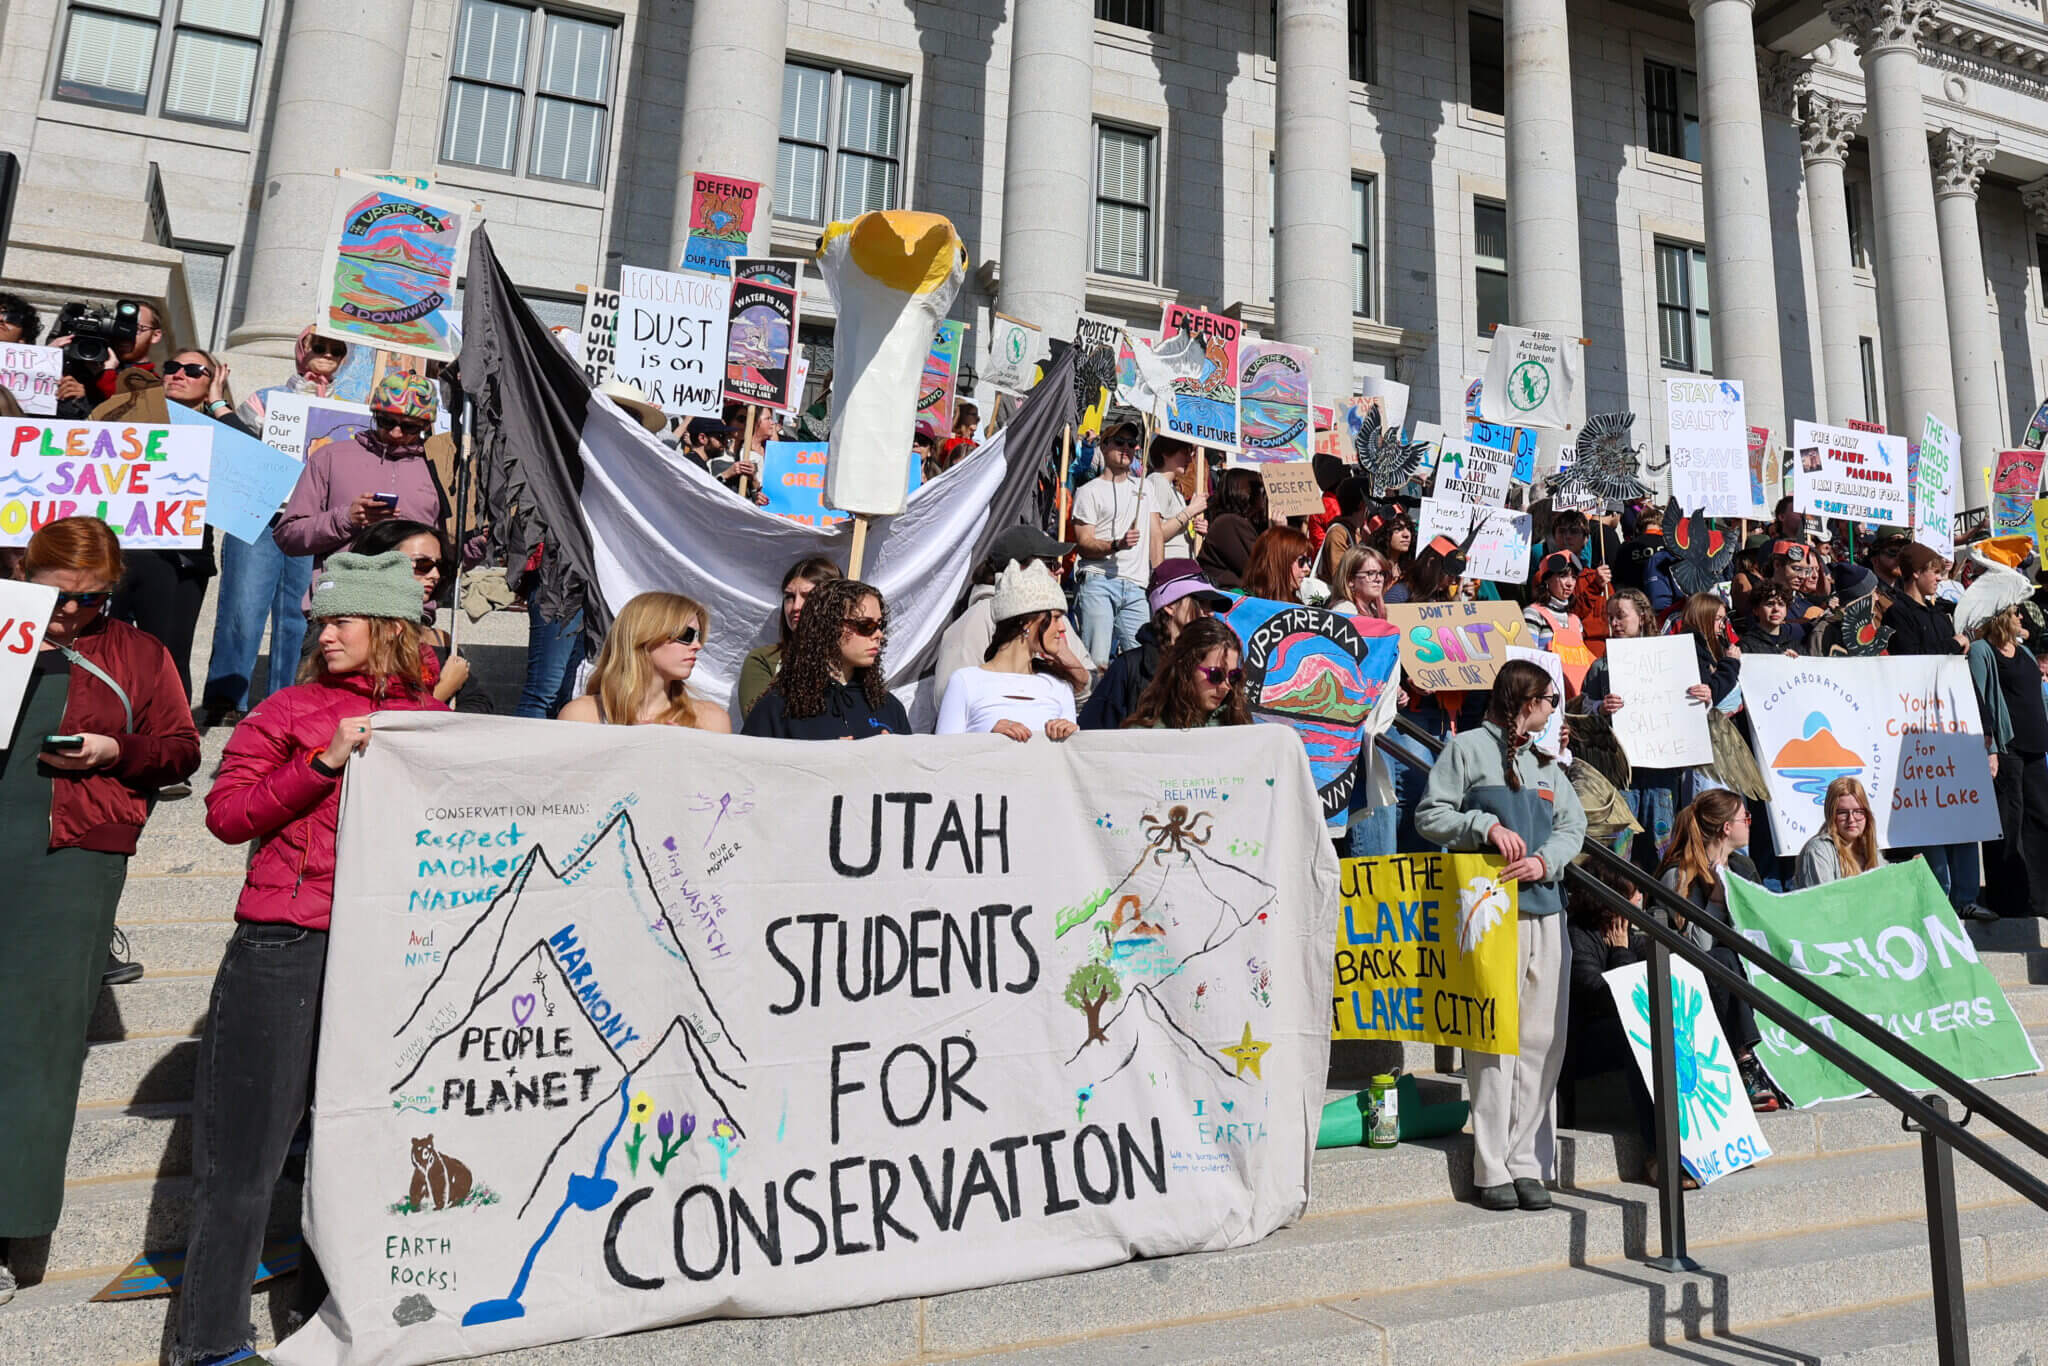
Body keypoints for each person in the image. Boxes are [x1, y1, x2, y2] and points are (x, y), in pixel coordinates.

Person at [179, 551, 446, 1363]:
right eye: (320, 620)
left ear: (392, 629)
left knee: (360, 1151)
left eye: (343, 620)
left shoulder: (432, 720)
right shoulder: (287, 710)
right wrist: (322, 761)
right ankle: (209, 1343)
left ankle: (324, 1324)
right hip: (284, 943)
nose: (324, 633)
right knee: (246, 1160)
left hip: (390, 953)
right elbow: (226, 816)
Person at [0, 518, 199, 1305]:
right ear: (23, 570)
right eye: (60, 598)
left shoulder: (137, 653)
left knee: (39, 1039)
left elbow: (181, 747)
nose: (74, 615)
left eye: (92, 601)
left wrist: (120, 753)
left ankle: (14, 1221)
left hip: (72, 857)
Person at [1416, 660, 1586, 1211]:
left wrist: (1547, 861)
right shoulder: (1465, 749)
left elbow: (1573, 825)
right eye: (1546, 699)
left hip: (1545, 911)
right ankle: (1491, 1166)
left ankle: (1528, 1163)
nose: (1551, 709)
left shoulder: (1546, 762)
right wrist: (1482, 825)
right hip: (1487, 913)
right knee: (1493, 1042)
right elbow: (1430, 813)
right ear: (1522, 700)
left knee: (1542, 1039)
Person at [200, 330, 345, 728]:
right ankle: (226, 698)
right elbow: (238, 444)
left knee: (300, 616)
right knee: (242, 608)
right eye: (319, 347)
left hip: (313, 522)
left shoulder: (351, 408)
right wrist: (216, 403)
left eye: (336, 350)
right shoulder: (265, 398)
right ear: (302, 350)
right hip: (260, 514)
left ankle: (286, 701)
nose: (327, 355)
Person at [108, 347, 235, 711]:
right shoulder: (130, 416)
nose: (179, 374)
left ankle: (170, 746)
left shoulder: (218, 430)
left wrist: (217, 404)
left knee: (167, 658)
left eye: (195, 371)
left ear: (214, 382)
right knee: (100, 648)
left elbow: (252, 460)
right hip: (117, 552)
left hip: (180, 560)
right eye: (173, 367)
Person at [1657, 790, 1779, 1112]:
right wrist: (1715, 900)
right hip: (1701, 977)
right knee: (1724, 957)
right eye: (1745, 819)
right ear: (1727, 828)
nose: (1749, 825)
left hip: (1746, 969)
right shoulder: (1679, 875)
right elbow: (1698, 949)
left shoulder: (1744, 866)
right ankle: (1746, 1061)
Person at [275, 371, 448, 593]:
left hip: (410, 607)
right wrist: (346, 518)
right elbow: (288, 536)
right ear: (374, 413)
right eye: (386, 421)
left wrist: (476, 542)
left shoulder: (441, 469)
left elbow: (454, 553)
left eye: (409, 427)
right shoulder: (330, 457)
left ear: (426, 426)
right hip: (339, 605)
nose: (396, 433)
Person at [933, 528, 1090, 708]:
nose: (1061, 569)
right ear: (1018, 568)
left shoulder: (1055, 618)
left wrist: (1069, 663)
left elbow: (1089, 692)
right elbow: (949, 699)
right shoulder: (977, 619)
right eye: (1051, 563)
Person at [742, 578, 912, 740]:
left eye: (880, 625)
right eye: (866, 625)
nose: (879, 635)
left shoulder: (889, 707)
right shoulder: (778, 707)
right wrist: (822, 759)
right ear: (830, 627)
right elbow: (748, 767)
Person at [1080, 558, 1232, 730]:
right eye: (1201, 602)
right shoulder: (1130, 668)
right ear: (1169, 605)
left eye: (1212, 605)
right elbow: (1092, 735)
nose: (1210, 612)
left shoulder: (1221, 666)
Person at [937, 562, 1080, 741]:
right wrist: (985, 737)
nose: (1062, 628)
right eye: (1056, 618)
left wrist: (1071, 736)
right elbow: (942, 755)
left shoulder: (1060, 687)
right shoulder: (965, 681)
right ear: (1027, 621)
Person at [1971, 605, 2048, 918]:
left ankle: (2040, 898)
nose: (2021, 618)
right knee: (2008, 824)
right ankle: (2008, 900)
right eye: (2015, 613)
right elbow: (1977, 697)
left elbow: (2037, 696)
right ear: (2000, 616)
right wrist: (1989, 745)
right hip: (2006, 749)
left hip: (2035, 747)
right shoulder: (1982, 650)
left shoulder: (2025, 652)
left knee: (2041, 821)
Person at [560, 592, 730, 730]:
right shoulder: (583, 716)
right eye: (686, 635)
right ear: (645, 636)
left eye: (698, 636)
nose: (697, 645)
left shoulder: (710, 720)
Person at [349, 520, 468, 705]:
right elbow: (365, 713)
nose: (435, 575)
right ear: (381, 563)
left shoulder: (441, 640)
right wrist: (443, 690)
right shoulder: (349, 634)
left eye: (441, 566)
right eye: (423, 564)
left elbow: (478, 703)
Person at [1070, 420, 1153, 661]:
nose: (1126, 448)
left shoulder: (1144, 488)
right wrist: (1116, 544)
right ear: (1104, 446)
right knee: (1097, 662)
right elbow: (1084, 543)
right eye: (1119, 442)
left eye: (1131, 443)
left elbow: (1157, 534)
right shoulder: (1089, 491)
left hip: (1137, 586)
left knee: (1144, 664)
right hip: (1099, 580)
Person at [740, 555, 844, 718]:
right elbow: (760, 724)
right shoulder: (764, 660)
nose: (796, 606)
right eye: (789, 597)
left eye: (808, 597)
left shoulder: (851, 661)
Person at [1122, 617, 1252, 729]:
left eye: (1234, 676)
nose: (1226, 686)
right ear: (1186, 669)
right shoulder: (1143, 734)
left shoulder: (1240, 726)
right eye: (1216, 675)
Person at [1793, 776, 1880, 889]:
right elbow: (1825, 901)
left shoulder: (1870, 850)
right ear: (1831, 815)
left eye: (1858, 811)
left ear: (1867, 814)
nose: (1851, 819)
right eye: (1843, 813)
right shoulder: (1818, 851)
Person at [1197, 468, 1265, 589]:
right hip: (1229, 601)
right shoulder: (1230, 523)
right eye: (1260, 490)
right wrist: (1278, 532)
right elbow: (1260, 570)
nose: (1263, 496)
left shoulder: (1240, 522)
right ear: (1246, 492)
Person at [1145, 437, 1206, 566]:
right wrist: (1190, 510)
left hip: (1181, 564)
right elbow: (1157, 534)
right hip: (1169, 565)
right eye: (1184, 452)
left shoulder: (1173, 489)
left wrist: (1197, 527)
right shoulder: (1157, 481)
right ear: (1166, 453)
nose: (1189, 460)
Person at [1239, 525, 1313, 604]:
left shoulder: (1301, 608)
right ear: (1279, 562)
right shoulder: (1239, 602)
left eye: (1308, 561)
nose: (1307, 569)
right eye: (1301, 561)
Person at [1736, 583, 1805, 656]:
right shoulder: (1746, 644)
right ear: (1756, 609)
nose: (1776, 609)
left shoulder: (1794, 643)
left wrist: (1797, 661)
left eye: (1781, 604)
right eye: (1770, 604)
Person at [1332, 544, 1394, 621]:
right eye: (1371, 573)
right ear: (1350, 580)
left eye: (1381, 573)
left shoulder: (1374, 609)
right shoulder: (1345, 610)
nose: (1379, 579)